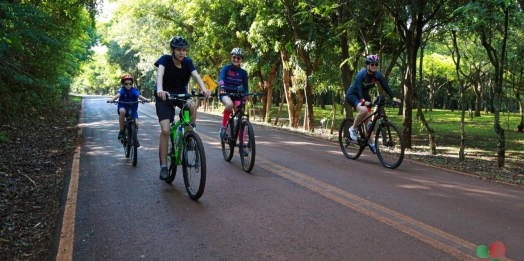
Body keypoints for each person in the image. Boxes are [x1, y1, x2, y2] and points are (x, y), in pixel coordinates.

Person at [154, 36, 211, 180]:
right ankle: (164, 166)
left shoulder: (188, 62)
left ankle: (189, 137)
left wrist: (204, 89)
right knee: (166, 130)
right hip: (164, 96)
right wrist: (160, 90)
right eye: (179, 49)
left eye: (184, 50)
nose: (182, 53)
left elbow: (197, 76)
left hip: (181, 94)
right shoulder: (165, 60)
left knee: (191, 105)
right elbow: (160, 74)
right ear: (173, 50)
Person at [345, 54, 401, 153]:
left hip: (365, 96)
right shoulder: (361, 74)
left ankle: (372, 144)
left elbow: (385, 86)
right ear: (368, 65)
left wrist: (394, 98)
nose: (374, 66)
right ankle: (353, 129)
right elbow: (358, 89)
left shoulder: (377, 74)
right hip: (353, 94)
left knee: (369, 124)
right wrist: (362, 101)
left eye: (376, 64)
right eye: (372, 64)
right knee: (363, 110)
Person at [107, 74, 151, 146]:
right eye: (126, 83)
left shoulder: (134, 90)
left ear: (132, 84)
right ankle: (121, 131)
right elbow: (118, 95)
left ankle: (134, 138)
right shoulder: (122, 90)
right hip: (123, 106)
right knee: (122, 111)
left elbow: (139, 96)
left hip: (132, 109)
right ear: (123, 84)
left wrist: (146, 99)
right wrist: (112, 99)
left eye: (130, 83)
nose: (128, 85)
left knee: (136, 123)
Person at [218, 48, 249, 138]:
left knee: (240, 117)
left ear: (241, 60)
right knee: (229, 105)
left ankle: (242, 146)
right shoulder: (226, 68)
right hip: (225, 93)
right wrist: (222, 87)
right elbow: (221, 79)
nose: (236, 59)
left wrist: (245, 97)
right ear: (231, 57)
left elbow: (246, 88)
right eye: (234, 57)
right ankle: (223, 127)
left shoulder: (243, 73)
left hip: (237, 95)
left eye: (238, 58)